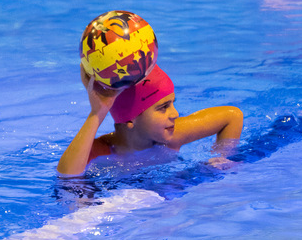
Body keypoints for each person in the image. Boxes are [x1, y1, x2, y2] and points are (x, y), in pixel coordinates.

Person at [57, 64, 243, 176]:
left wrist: (222, 158)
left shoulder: (170, 137)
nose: (175, 114)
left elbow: (232, 116)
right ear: (131, 119)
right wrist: (96, 114)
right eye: (163, 107)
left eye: (172, 104)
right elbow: (67, 175)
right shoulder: (103, 150)